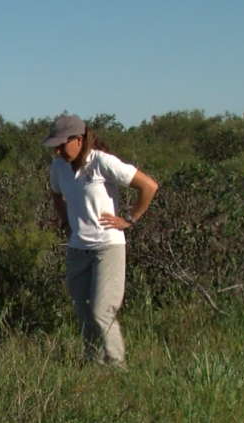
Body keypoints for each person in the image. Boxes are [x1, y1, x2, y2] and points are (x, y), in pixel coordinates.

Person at [43, 115, 158, 369]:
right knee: (83, 311)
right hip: (77, 248)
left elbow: (148, 186)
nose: (58, 150)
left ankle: (117, 367)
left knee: (101, 310)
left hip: (108, 247)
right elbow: (56, 195)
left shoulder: (101, 162)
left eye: (62, 144)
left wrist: (129, 219)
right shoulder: (58, 168)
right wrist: (64, 221)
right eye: (55, 146)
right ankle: (93, 364)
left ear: (79, 140)